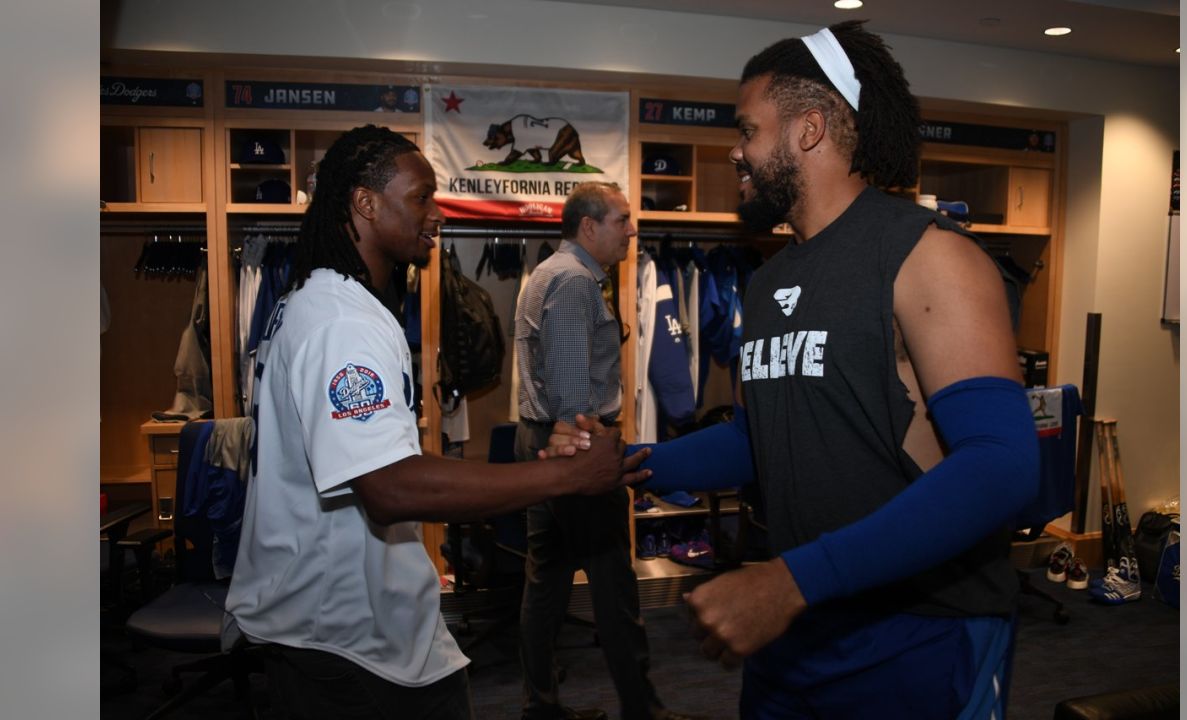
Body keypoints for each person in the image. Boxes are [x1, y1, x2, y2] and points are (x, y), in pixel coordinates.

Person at [548, 20, 1039, 719]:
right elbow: (762, 437)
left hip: (921, 635)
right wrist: (632, 463)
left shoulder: (929, 256)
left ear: (809, 130)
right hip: (799, 630)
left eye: (748, 130)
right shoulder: (766, 280)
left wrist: (791, 581)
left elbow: (1001, 465)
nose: (736, 152)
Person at [224, 125, 645, 720]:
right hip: (343, 635)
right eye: (420, 197)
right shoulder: (342, 322)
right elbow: (390, 487)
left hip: (338, 623)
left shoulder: (318, 301)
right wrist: (566, 478)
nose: (436, 213)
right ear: (366, 204)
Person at [514, 182, 700, 720]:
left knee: (546, 577)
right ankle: (643, 710)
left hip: (542, 439)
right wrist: (596, 454)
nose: (632, 231)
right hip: (576, 442)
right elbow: (574, 399)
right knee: (613, 580)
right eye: (623, 220)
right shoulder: (573, 282)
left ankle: (540, 706)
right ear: (589, 226)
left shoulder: (549, 273)